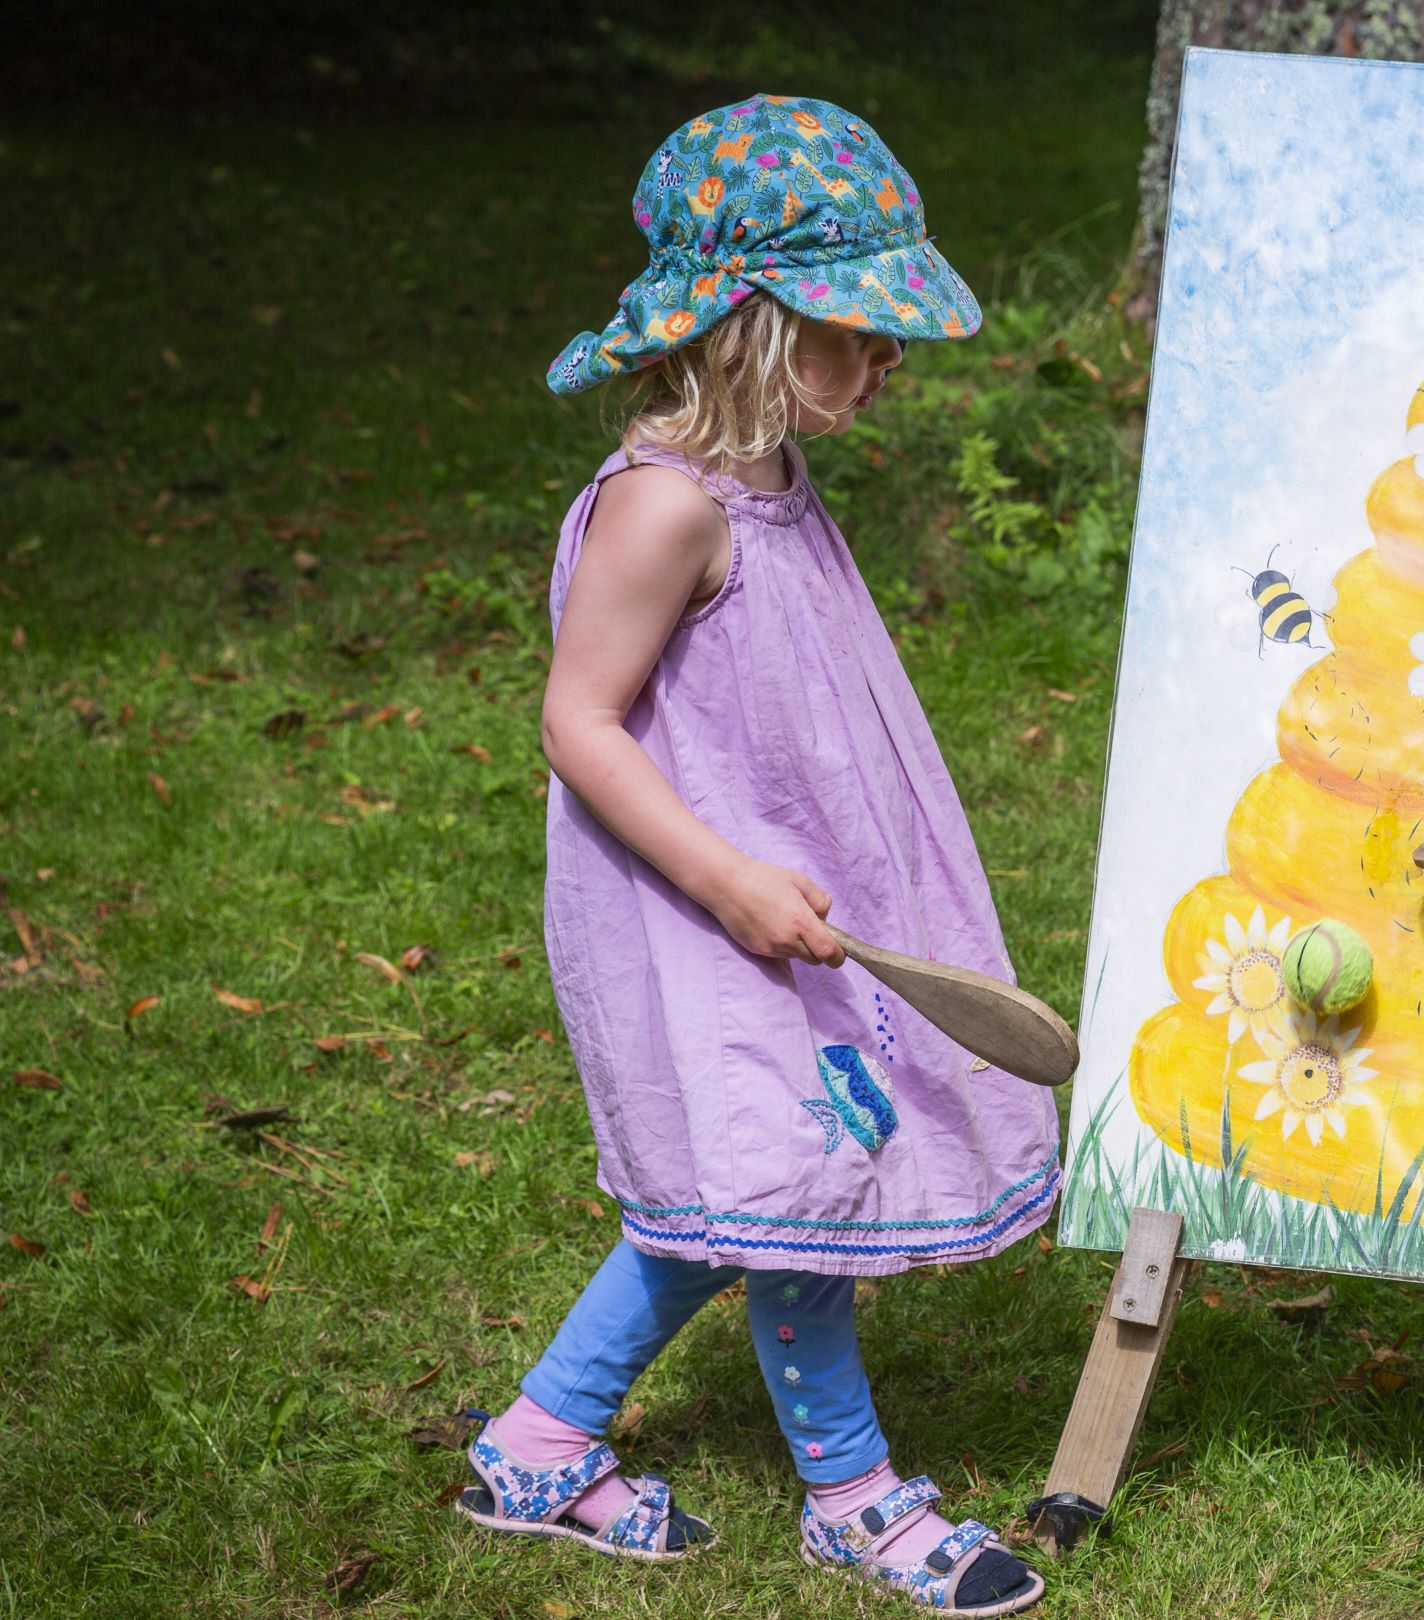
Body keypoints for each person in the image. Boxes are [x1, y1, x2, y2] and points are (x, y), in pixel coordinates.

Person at [452, 95, 1057, 1617]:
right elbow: (580, 723)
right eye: (857, 329)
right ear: (749, 325)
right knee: (778, 1182)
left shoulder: (774, 480)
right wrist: (727, 882)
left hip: (796, 902)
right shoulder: (663, 508)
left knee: (767, 1181)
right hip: (698, 905)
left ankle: (537, 1440)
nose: (889, 360)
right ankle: (852, 1497)